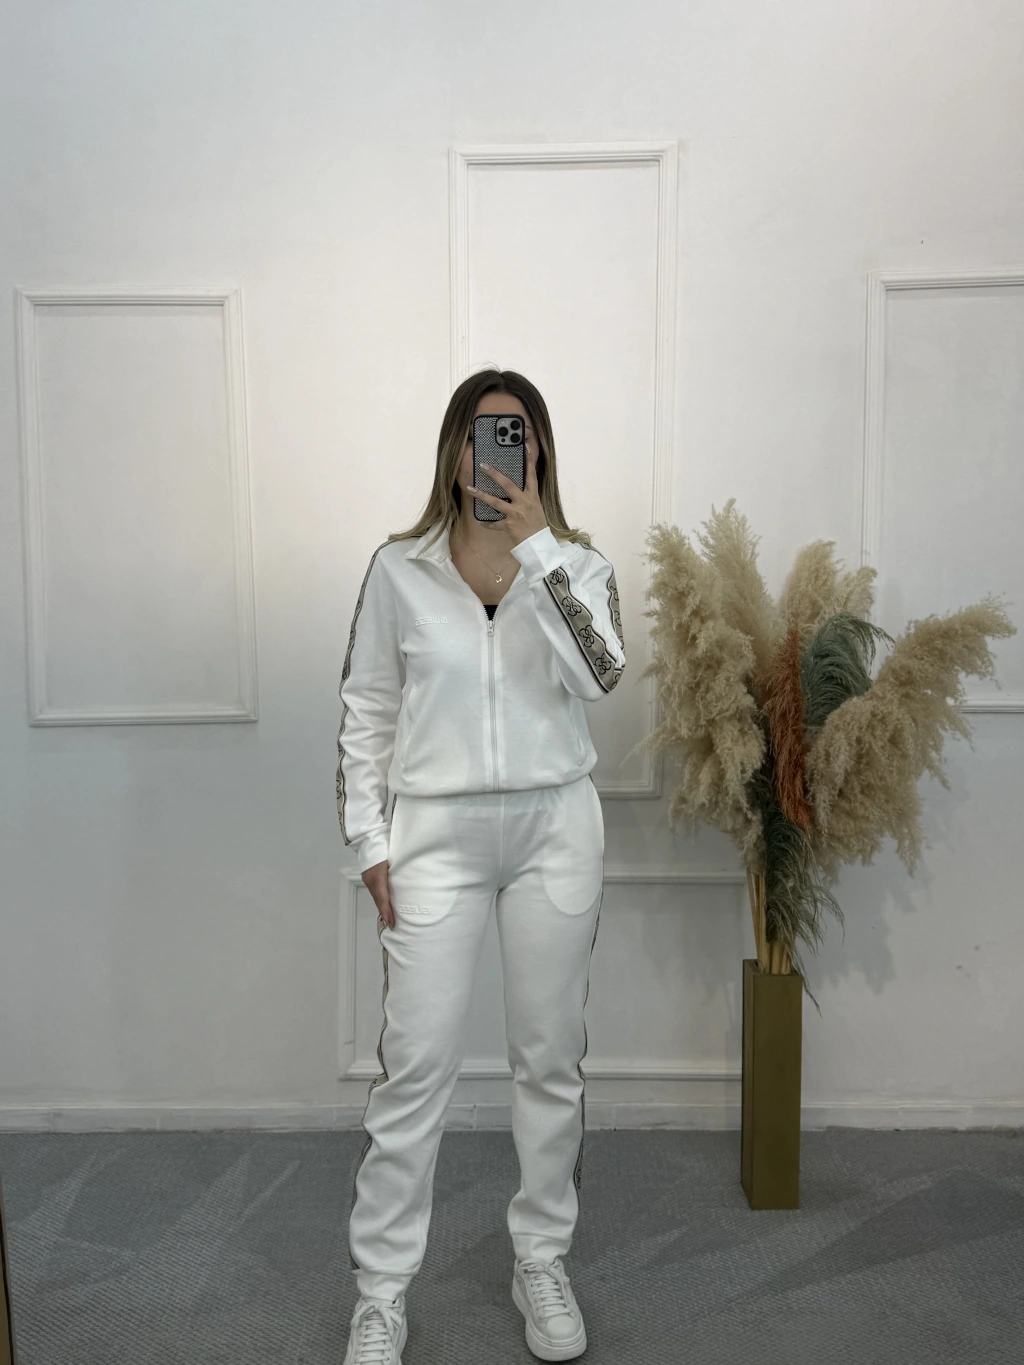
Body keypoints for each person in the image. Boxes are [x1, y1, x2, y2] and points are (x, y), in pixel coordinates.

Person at [335, 367, 626, 1364]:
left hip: (554, 828)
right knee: (414, 1068)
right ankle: (381, 1293)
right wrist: (369, 839)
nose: (497, 449)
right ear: (452, 448)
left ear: (539, 450)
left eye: (516, 432)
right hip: (435, 836)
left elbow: (599, 674)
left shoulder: (578, 564)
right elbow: (366, 708)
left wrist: (539, 548)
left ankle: (540, 1258)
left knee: (549, 1060)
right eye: (480, 432)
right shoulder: (398, 569)